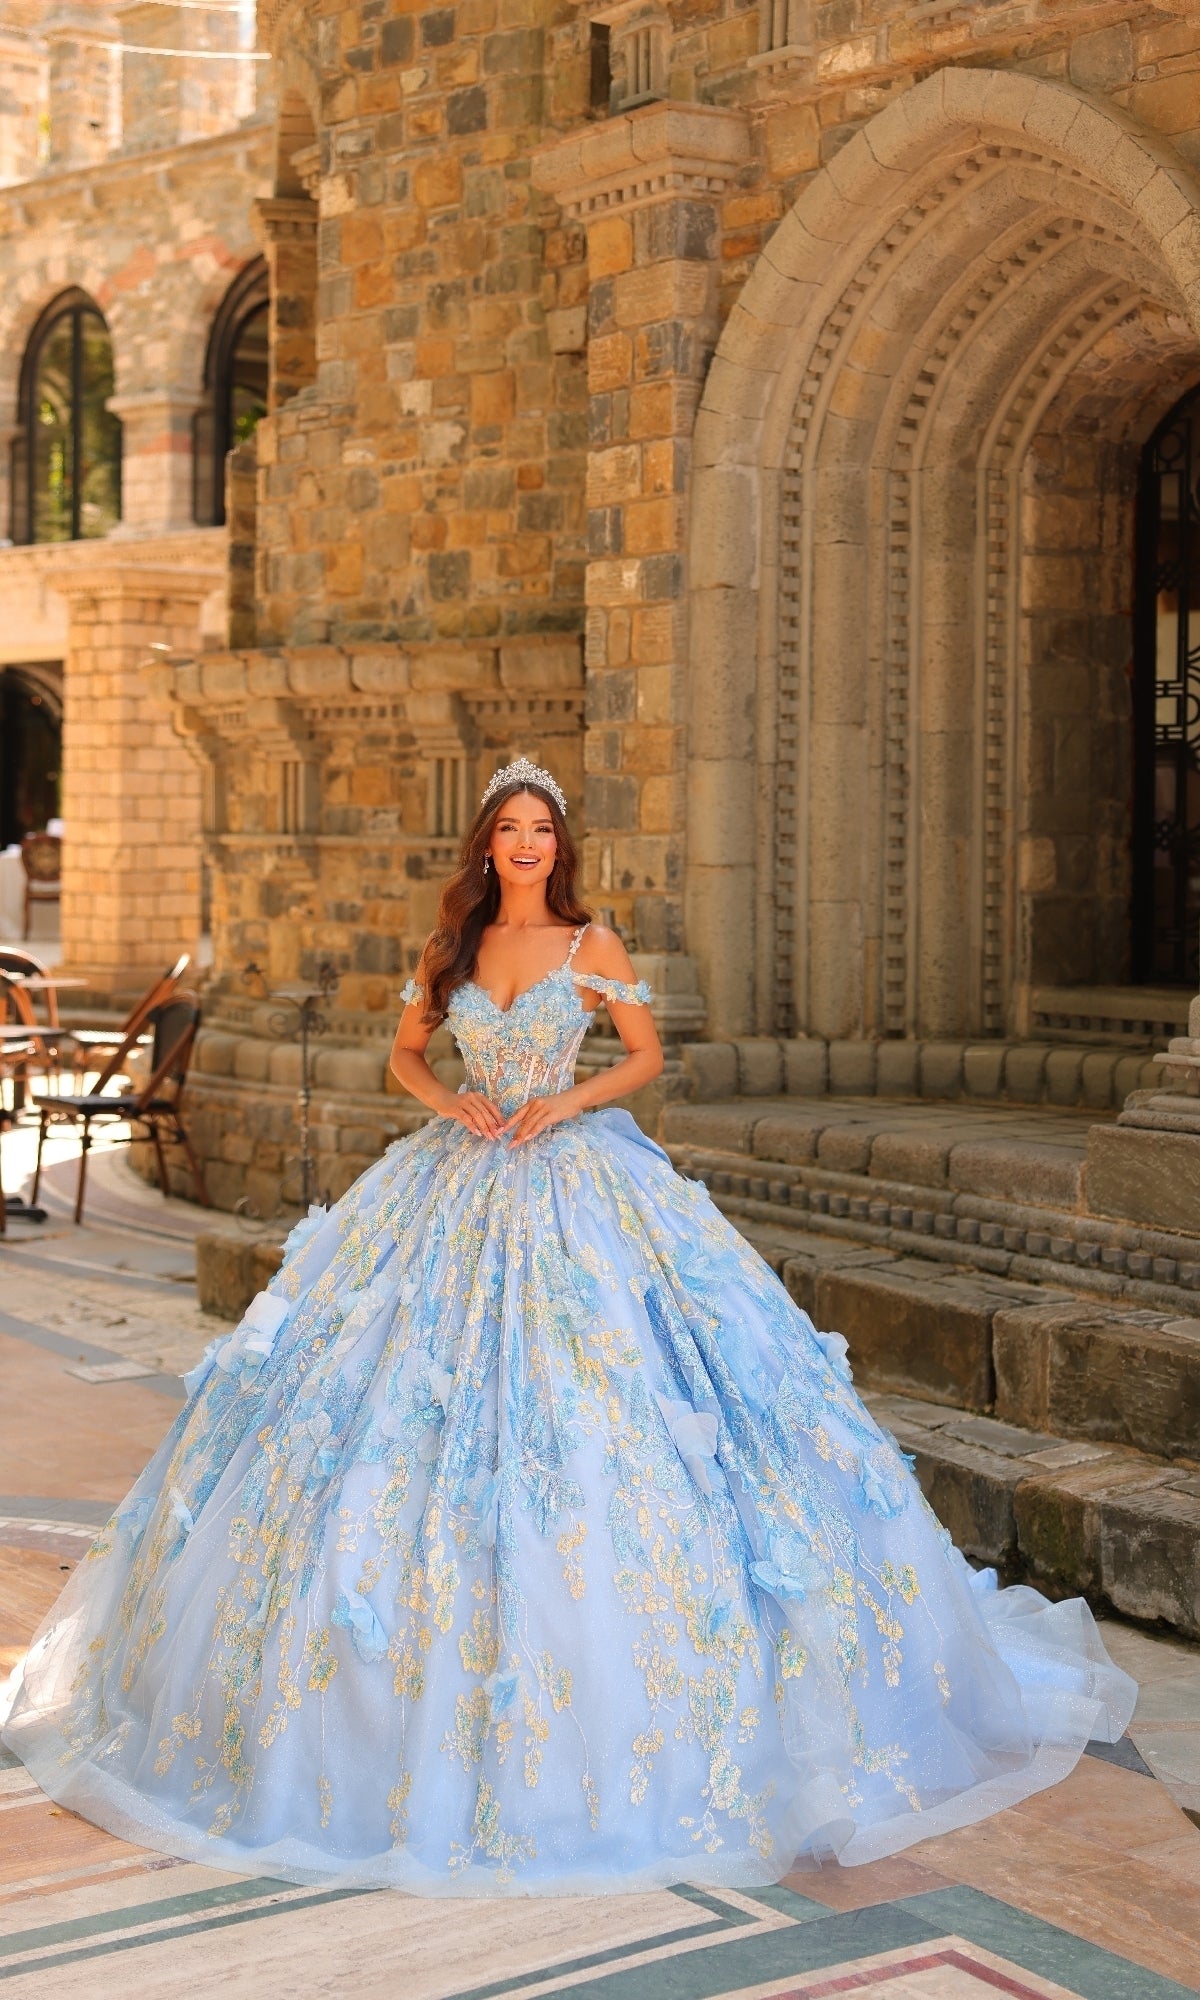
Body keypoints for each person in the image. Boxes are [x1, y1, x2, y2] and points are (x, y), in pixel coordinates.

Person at [1, 757, 1135, 1895]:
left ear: (559, 843)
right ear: (487, 844)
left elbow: (644, 1054)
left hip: (579, 1179)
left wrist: (565, 1099)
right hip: (458, 1178)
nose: (530, 841)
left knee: (616, 1408)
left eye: (544, 826)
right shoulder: (451, 952)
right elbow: (402, 1054)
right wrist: (456, 1101)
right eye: (511, 826)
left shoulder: (594, 946)